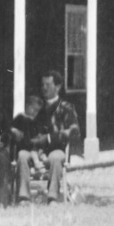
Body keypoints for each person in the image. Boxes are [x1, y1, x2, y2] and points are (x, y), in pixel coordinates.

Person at [17, 71, 80, 202]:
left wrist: (50, 138)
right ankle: (23, 197)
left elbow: (74, 132)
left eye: (48, 84)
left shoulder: (66, 107)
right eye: (42, 84)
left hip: (56, 148)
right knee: (22, 155)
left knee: (56, 157)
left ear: (58, 87)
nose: (44, 87)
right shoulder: (36, 107)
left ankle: (52, 198)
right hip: (35, 149)